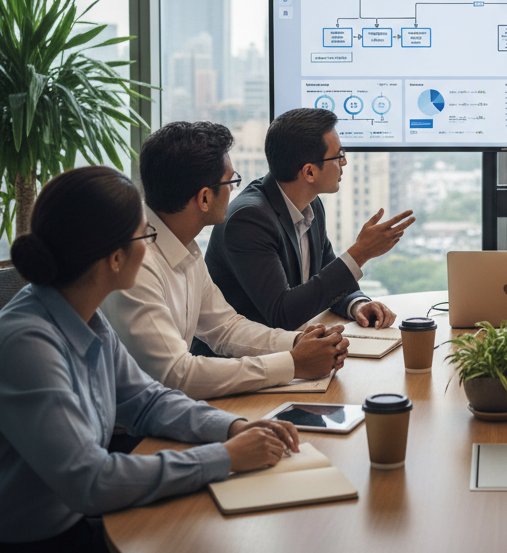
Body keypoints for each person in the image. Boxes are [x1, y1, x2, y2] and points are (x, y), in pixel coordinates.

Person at [0, 166, 302, 553]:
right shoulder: (27, 343)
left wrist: (230, 428)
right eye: (144, 233)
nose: (151, 243)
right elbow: (90, 480)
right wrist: (223, 458)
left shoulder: (83, 314)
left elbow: (147, 401)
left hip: (75, 532)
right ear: (115, 259)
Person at [103, 121, 348, 399]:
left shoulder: (185, 246)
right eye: (231, 181)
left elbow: (225, 328)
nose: (236, 190)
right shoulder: (137, 264)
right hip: (131, 431)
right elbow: (177, 375)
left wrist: (297, 342)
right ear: (205, 198)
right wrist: (293, 363)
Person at [205, 107, 413, 331]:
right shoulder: (248, 220)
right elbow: (283, 314)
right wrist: (360, 253)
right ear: (309, 172)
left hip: (290, 349)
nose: (344, 163)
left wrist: (358, 304)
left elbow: (325, 283)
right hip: (239, 360)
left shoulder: (311, 204)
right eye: (338, 155)